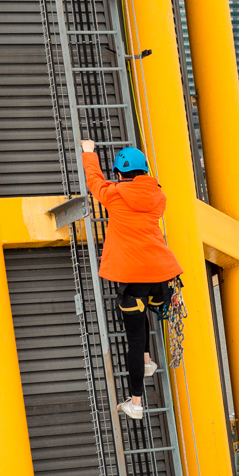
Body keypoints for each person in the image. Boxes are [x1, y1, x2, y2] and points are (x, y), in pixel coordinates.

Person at [80, 139, 182, 420]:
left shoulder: (114, 194)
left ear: (119, 173)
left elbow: (94, 182)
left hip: (132, 276)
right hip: (160, 274)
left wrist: (89, 153)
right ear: (145, 170)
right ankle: (148, 363)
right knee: (145, 309)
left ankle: (135, 403)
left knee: (135, 337)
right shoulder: (159, 196)